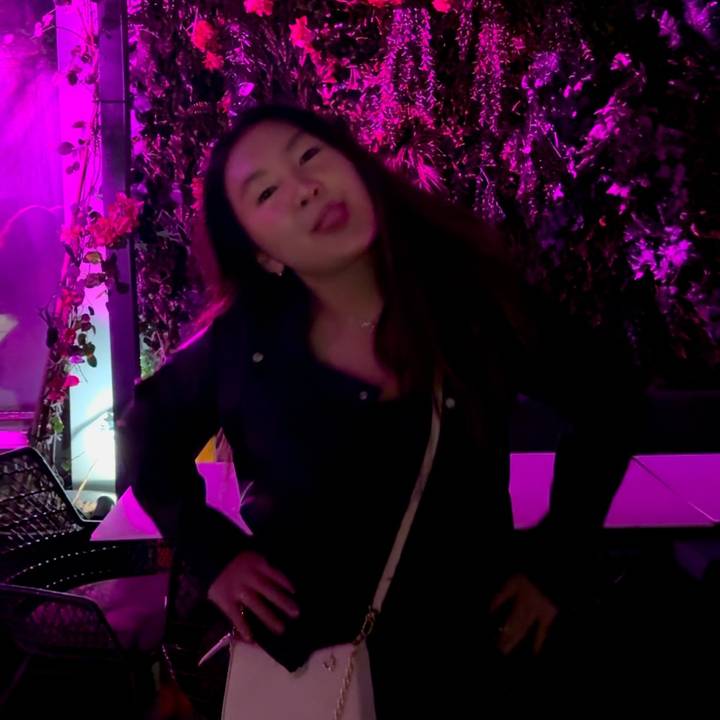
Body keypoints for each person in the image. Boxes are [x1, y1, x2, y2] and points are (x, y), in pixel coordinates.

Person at [116, 103, 648, 716]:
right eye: (266, 192)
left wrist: (557, 560)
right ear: (262, 253)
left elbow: (610, 396)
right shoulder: (245, 347)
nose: (305, 188)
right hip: (311, 677)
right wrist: (216, 556)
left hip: (466, 665)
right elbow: (144, 434)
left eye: (309, 155)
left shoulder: (468, 309)